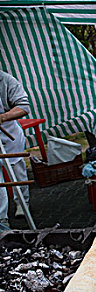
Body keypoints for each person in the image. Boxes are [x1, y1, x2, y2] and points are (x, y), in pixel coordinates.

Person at [0, 71, 31, 230]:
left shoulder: (5, 80)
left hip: (8, 131)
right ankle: (2, 218)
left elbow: (24, 107)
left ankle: (22, 202)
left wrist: (3, 117)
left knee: (16, 171)